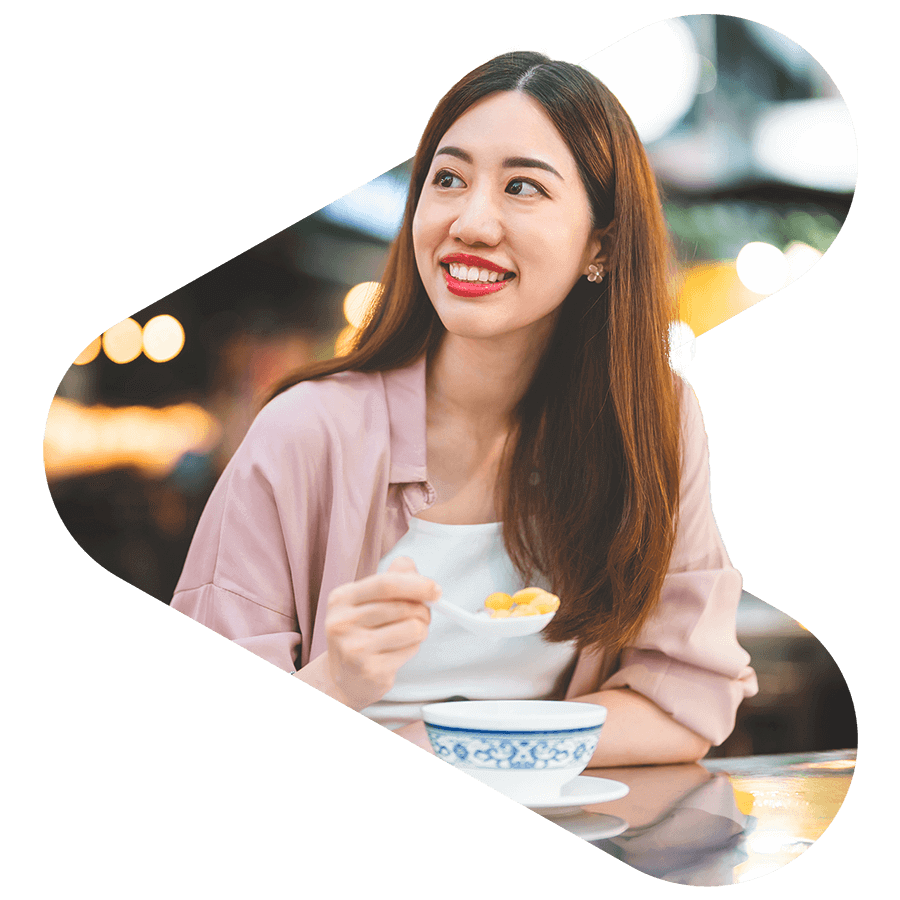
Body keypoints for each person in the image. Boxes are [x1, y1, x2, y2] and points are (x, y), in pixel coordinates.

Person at [170, 49, 758, 766]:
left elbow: (685, 702)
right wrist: (336, 681)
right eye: (447, 179)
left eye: (522, 187)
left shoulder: (649, 420)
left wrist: (445, 744)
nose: (471, 222)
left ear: (599, 243)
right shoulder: (306, 431)